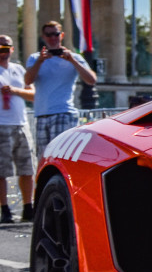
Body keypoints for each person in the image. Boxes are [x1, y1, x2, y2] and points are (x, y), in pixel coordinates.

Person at [24, 22, 97, 158]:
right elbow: (28, 80)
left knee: (59, 156)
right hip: (41, 115)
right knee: (43, 158)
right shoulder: (35, 58)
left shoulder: (74, 57)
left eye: (56, 34)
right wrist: (40, 61)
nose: (53, 38)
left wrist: (72, 61)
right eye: (49, 35)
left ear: (62, 35)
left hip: (63, 113)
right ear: (43, 37)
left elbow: (91, 80)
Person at [0, 35, 35, 223]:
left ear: (12, 49)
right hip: (1, 125)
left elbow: (33, 94)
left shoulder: (19, 69)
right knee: (2, 171)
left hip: (21, 123)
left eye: (6, 47)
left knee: (27, 168)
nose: (3, 50)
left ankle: (28, 207)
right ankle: (5, 209)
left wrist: (15, 91)